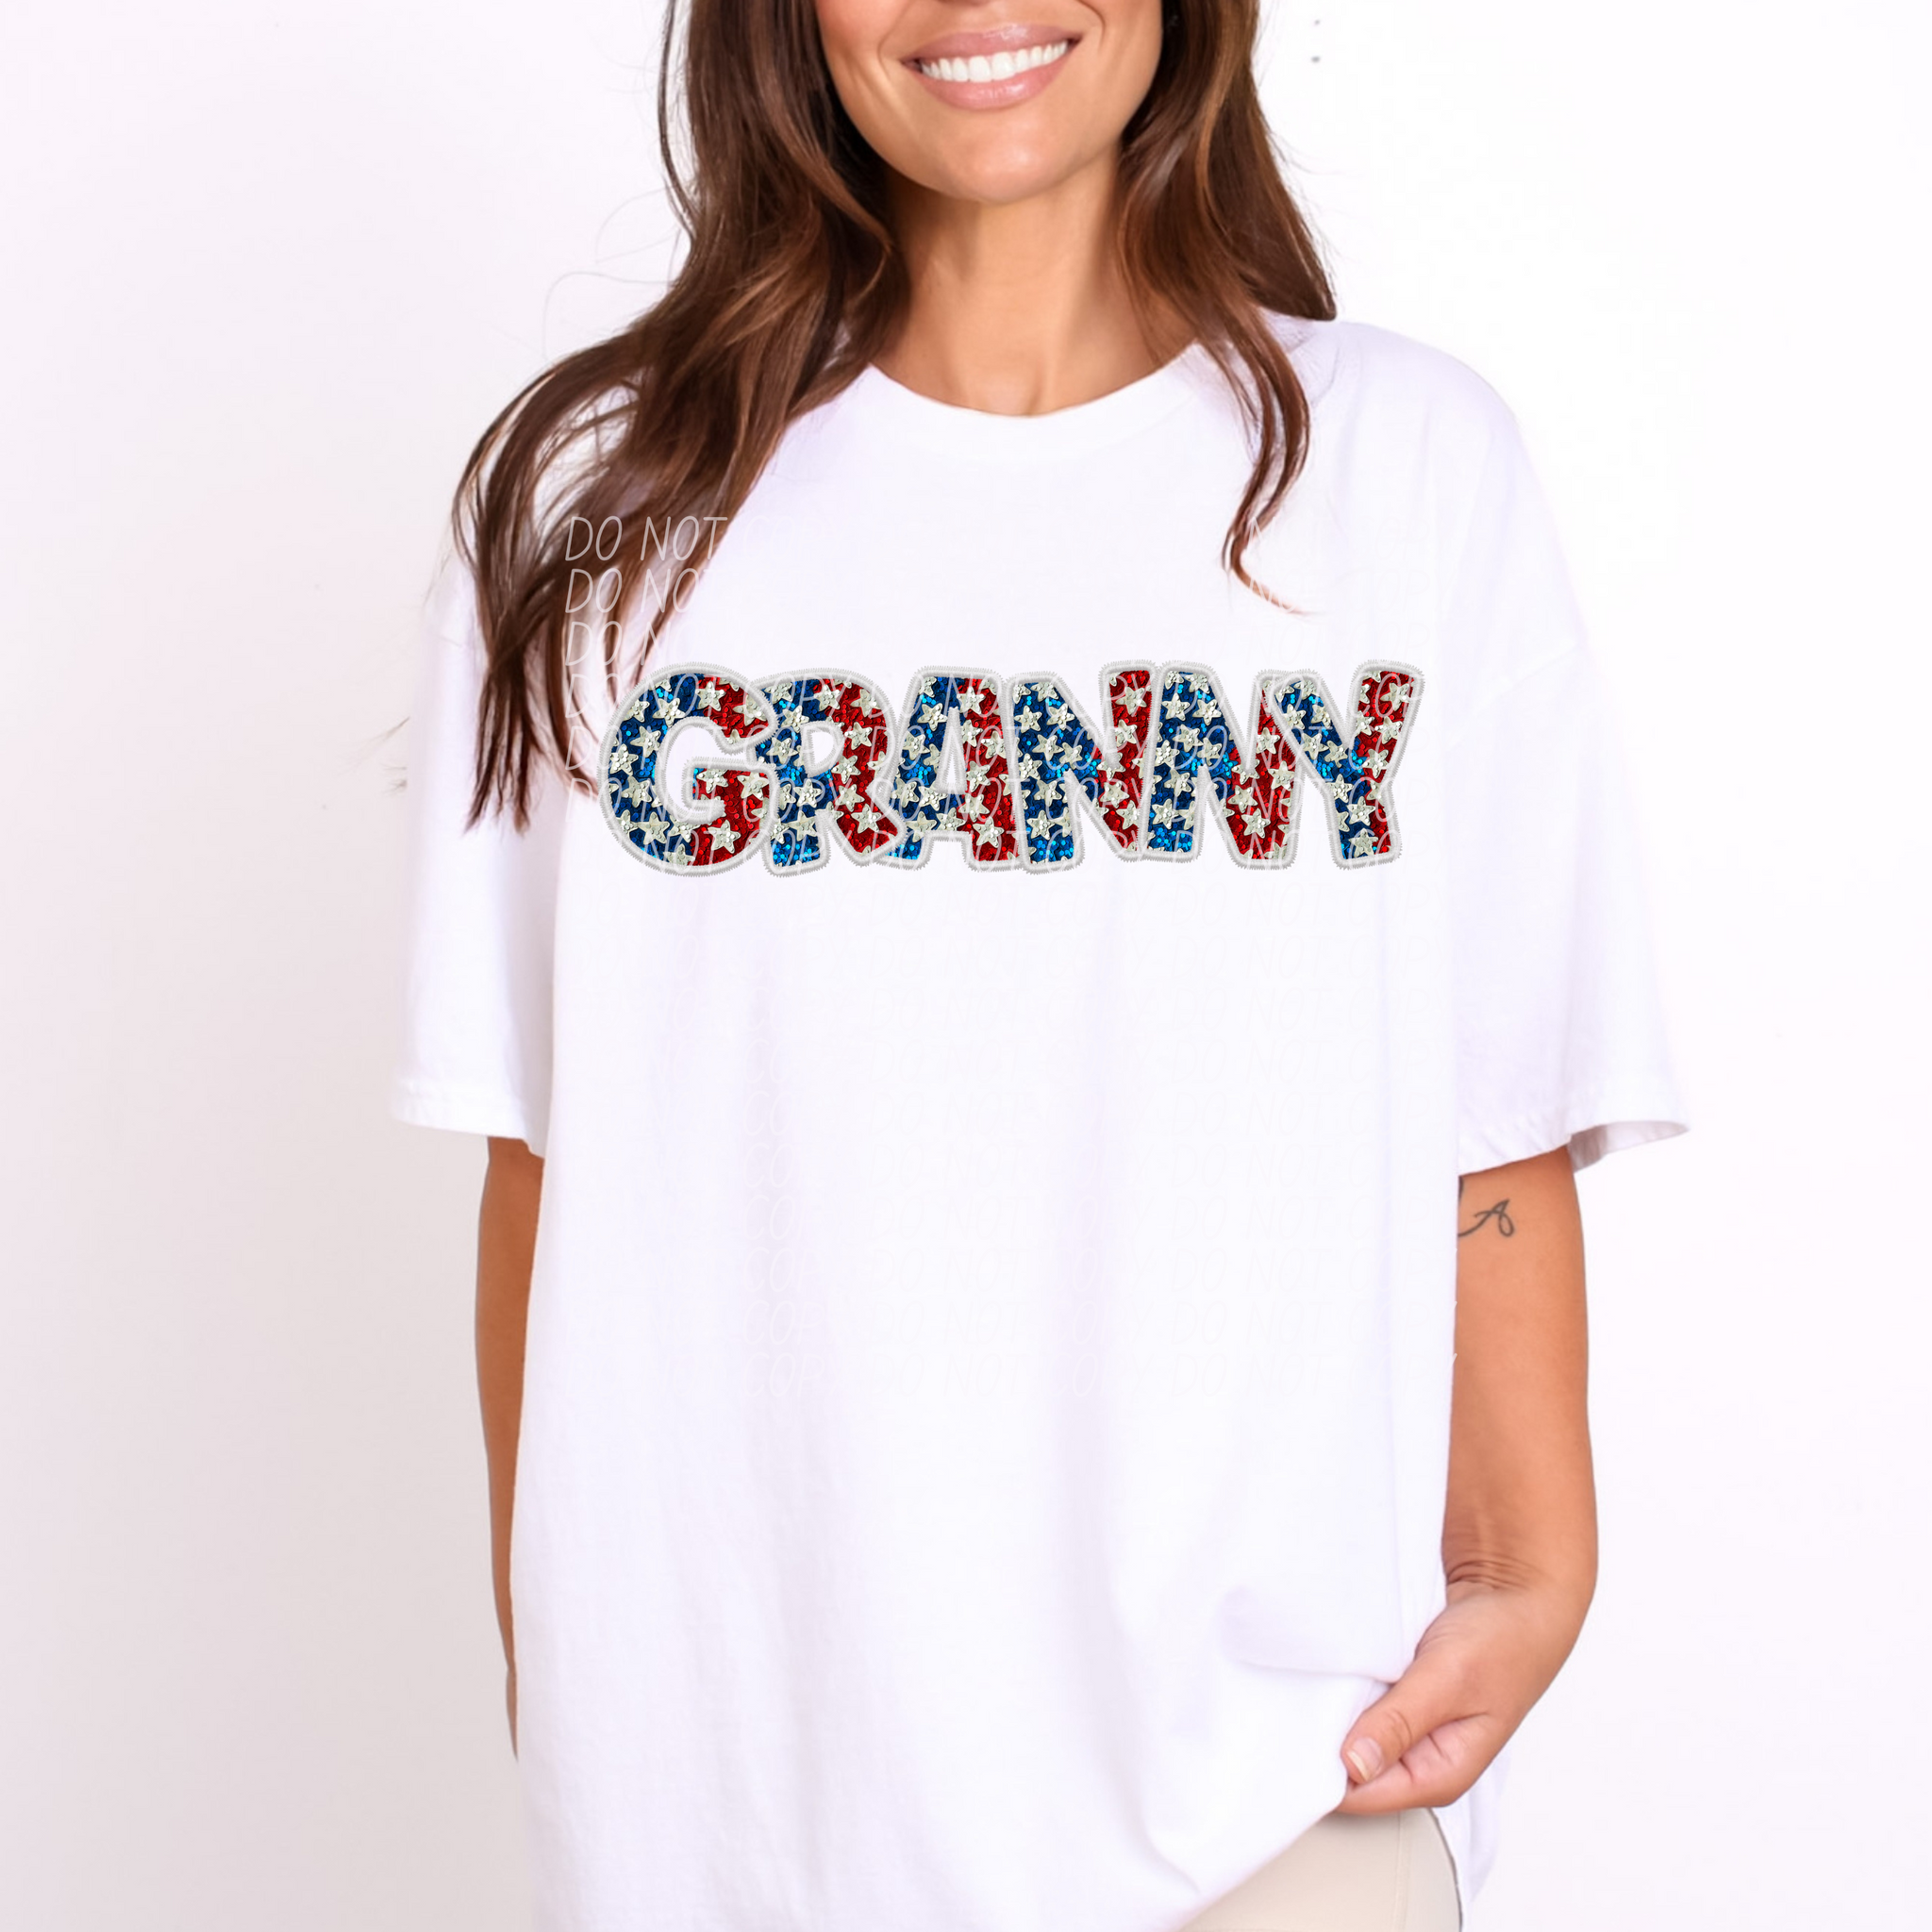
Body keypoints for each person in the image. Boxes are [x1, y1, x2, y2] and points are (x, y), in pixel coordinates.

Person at [390, 5, 1689, 1929]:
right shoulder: (603, 505)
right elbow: (547, 1149)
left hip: (1275, 1801)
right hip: (754, 1831)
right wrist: (596, 1708)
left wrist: (1527, 1566)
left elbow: (1486, 1085)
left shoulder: (1404, 465)